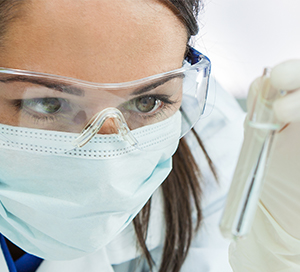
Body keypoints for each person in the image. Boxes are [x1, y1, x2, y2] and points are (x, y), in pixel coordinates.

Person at [0, 1, 299, 272]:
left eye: (146, 102)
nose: (106, 156)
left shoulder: (210, 147)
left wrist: (280, 254)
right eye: (48, 103)